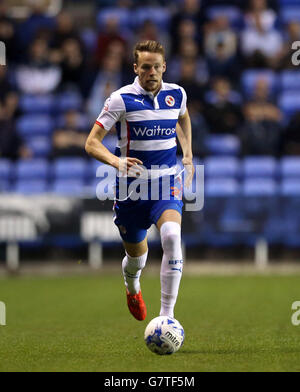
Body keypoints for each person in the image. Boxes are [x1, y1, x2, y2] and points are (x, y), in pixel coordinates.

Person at [85, 40, 194, 321]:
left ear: (164, 67)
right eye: (146, 67)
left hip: (167, 183)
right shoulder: (120, 99)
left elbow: (183, 119)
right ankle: (132, 287)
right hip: (132, 190)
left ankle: (167, 318)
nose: (152, 72)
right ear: (136, 68)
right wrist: (116, 161)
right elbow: (91, 143)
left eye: (157, 67)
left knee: (171, 237)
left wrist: (188, 155)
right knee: (136, 259)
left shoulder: (177, 94)